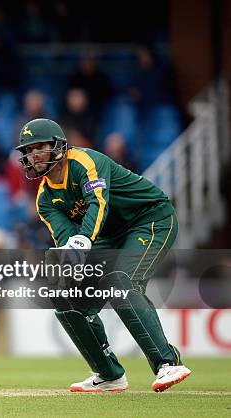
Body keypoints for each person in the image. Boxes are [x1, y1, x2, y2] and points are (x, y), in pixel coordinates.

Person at [15, 118, 191, 393]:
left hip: (149, 219)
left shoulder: (84, 162)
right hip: (107, 237)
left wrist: (83, 240)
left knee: (121, 281)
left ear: (59, 146)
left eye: (40, 147)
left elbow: (98, 204)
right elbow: (66, 240)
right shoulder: (44, 199)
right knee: (65, 296)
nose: (33, 155)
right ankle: (108, 374)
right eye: (28, 150)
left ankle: (167, 363)